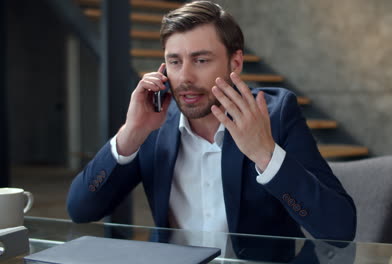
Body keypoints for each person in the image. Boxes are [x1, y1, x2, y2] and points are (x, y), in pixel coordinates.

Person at [67, 1, 356, 244]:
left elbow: (339, 230)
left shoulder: (276, 113)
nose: (185, 77)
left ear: (236, 63)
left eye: (201, 60)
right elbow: (81, 210)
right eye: (175, 61)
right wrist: (132, 133)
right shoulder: (153, 122)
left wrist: (264, 153)